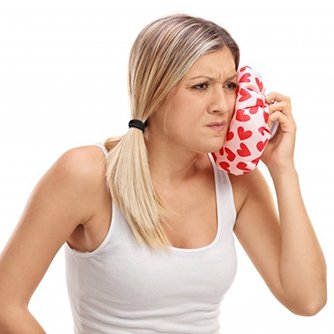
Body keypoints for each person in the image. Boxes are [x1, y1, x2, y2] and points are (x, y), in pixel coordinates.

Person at [0, 14, 327, 334]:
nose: (223, 105)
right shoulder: (87, 174)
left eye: (230, 85)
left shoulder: (236, 178)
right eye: (201, 86)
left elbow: (306, 299)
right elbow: (6, 303)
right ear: (155, 92)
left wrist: (283, 170)